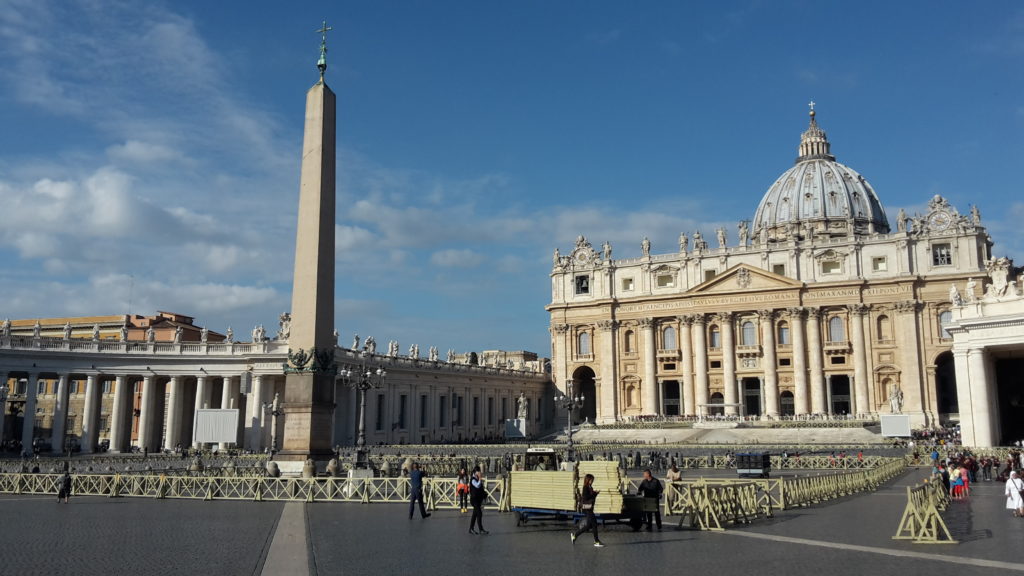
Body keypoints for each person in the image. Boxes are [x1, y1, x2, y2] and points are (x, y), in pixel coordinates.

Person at [571, 473, 603, 547]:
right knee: (594, 524)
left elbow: (590, 496)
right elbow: (585, 497)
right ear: (588, 480)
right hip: (587, 508)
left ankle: (575, 535)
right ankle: (596, 541)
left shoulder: (589, 487)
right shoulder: (585, 487)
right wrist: (595, 494)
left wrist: (595, 493)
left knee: (588, 525)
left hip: (589, 508)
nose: (592, 481)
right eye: (591, 480)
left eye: (592, 480)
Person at [468, 470, 488, 534]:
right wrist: (479, 479)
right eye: (478, 472)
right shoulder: (473, 479)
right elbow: (477, 486)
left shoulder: (477, 479)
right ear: (475, 473)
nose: (480, 473)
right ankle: (481, 529)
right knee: (479, 513)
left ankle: (471, 529)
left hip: (478, 500)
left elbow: (480, 488)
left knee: (475, 514)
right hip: (474, 500)